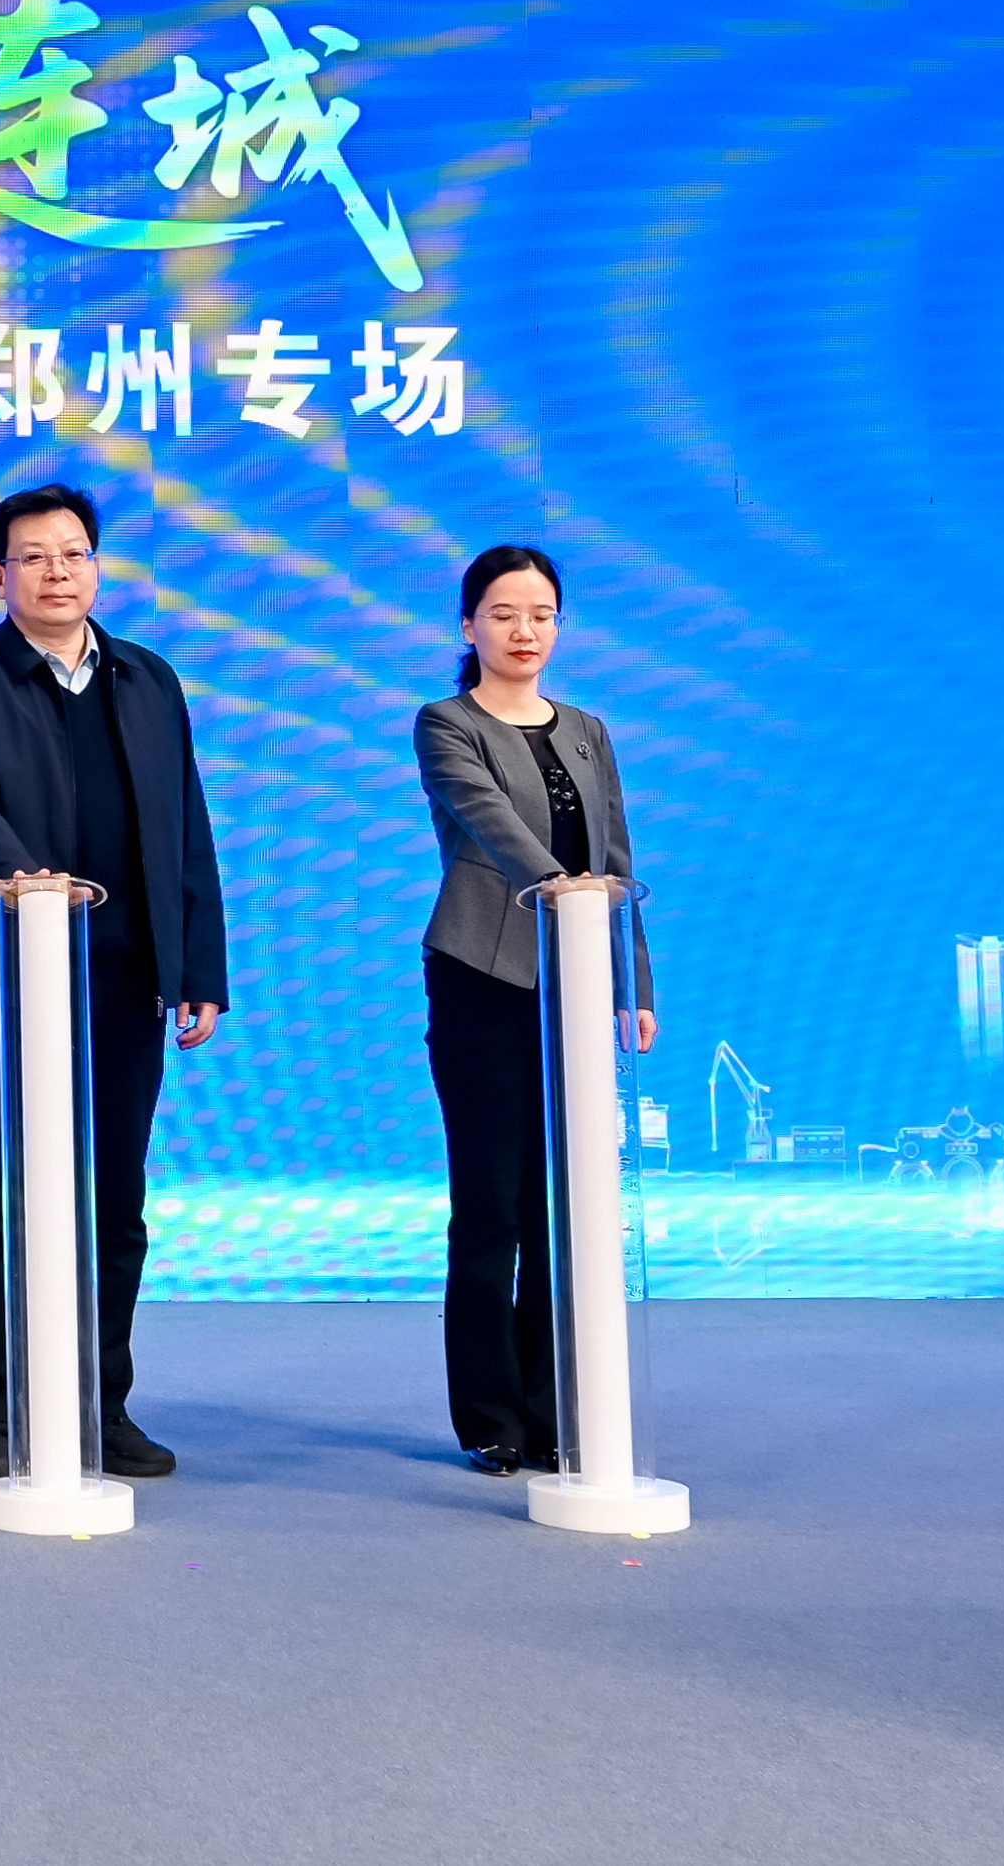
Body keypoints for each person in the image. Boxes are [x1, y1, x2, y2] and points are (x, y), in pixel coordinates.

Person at [0, 484, 226, 1486]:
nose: (57, 572)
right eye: (34, 556)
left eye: (74, 553)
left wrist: (199, 963)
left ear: (97, 567)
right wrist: (25, 883)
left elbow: (185, 824)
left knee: (112, 1199)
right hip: (1, 977)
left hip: (126, 975)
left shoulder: (148, 677)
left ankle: (99, 1400)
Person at [413, 543, 654, 1477]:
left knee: (566, 1204)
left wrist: (631, 981)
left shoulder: (588, 729)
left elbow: (618, 859)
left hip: (579, 978)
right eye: (504, 613)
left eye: (541, 615)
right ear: (468, 625)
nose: (525, 631)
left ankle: (557, 1409)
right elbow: (492, 823)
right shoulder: (447, 722)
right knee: (491, 1205)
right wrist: (563, 890)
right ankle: (490, 1416)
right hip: (483, 970)